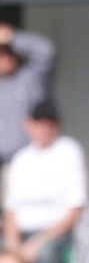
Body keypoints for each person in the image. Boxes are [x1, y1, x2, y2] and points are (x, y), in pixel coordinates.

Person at [2, 99, 86, 263]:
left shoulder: (69, 151)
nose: (44, 128)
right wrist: (13, 244)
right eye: (39, 122)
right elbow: (11, 210)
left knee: (46, 254)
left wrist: (35, 244)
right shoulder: (21, 159)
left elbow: (75, 210)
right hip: (22, 235)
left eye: (50, 122)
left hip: (57, 234)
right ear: (28, 124)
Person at [0, 23, 56, 165]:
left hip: (29, 161)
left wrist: (12, 37)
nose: (3, 57)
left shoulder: (30, 78)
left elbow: (47, 51)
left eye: (7, 51)